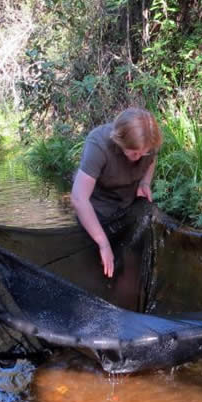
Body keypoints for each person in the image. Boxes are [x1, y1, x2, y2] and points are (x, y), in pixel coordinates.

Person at [70, 107, 162, 278]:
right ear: (120, 141)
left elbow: (152, 159)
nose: (140, 157)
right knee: (96, 272)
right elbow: (78, 199)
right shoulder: (98, 145)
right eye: (135, 153)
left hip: (126, 210)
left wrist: (145, 182)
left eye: (144, 152)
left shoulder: (149, 145)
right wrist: (103, 244)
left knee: (131, 265)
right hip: (95, 213)